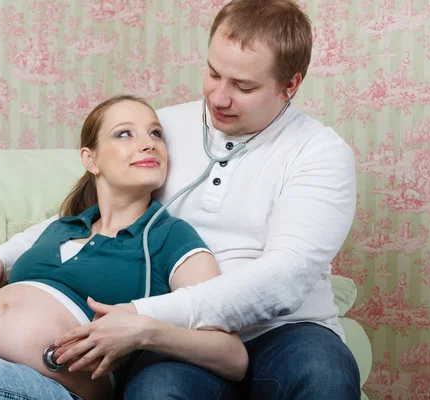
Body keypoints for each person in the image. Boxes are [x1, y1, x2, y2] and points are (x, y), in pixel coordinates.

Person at [0, 95, 247, 400]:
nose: (149, 143)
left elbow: (232, 355)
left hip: (47, 387)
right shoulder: (63, 225)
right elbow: (12, 253)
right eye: (126, 133)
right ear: (91, 159)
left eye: (156, 133)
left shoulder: (169, 237)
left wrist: (145, 332)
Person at [51, 1, 362, 399]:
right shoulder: (161, 128)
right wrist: (1, 261)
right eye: (213, 73)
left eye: (244, 86)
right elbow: (87, 213)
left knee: (324, 378)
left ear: (291, 85)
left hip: (287, 332)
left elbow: (284, 278)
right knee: (157, 391)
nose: (219, 97)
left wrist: (144, 315)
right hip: (181, 336)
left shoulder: (319, 152)